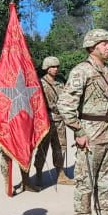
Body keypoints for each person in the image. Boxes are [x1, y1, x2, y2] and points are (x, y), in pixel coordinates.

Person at [58, 28, 108, 215]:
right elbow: (65, 104)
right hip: (90, 134)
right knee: (85, 183)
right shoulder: (81, 71)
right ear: (92, 46)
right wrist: (78, 131)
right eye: (104, 43)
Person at [33, 56, 73, 186]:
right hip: (46, 120)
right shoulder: (40, 83)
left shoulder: (60, 83)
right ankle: (38, 173)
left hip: (60, 120)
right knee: (42, 148)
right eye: (52, 67)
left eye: (57, 67)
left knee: (61, 147)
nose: (55, 69)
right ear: (46, 68)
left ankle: (60, 174)